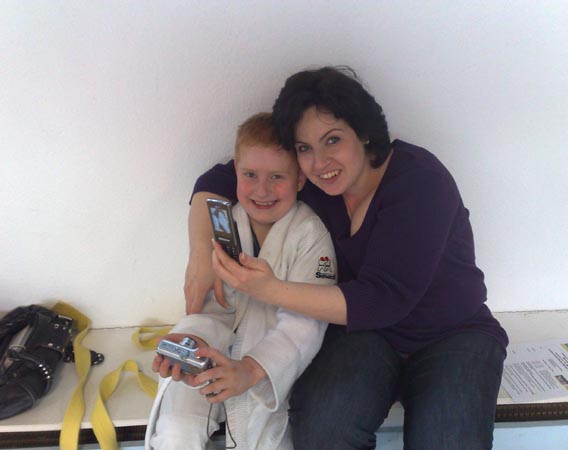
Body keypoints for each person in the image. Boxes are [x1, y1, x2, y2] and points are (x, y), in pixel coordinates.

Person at [189, 66, 509, 450]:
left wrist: (269, 289)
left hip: (452, 335)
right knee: (324, 430)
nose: (319, 162)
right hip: (365, 338)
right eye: (304, 148)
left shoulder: (421, 181)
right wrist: (200, 256)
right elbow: (217, 181)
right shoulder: (314, 182)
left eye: (333, 140)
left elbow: (381, 299)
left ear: (364, 132)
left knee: (448, 442)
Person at [146, 112, 337, 450]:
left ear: (299, 180)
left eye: (277, 177)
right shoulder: (223, 225)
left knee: (260, 436)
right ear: (235, 171)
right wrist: (192, 342)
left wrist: (251, 368)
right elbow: (212, 309)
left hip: (268, 363)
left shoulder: (310, 235)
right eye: (250, 175)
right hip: (212, 350)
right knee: (176, 428)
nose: (262, 190)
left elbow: (305, 324)